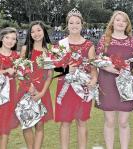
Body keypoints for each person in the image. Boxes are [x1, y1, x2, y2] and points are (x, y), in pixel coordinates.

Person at [95, 11, 133, 149]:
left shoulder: (131, 41)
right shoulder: (105, 39)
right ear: (113, 22)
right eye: (118, 20)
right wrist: (109, 68)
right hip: (107, 82)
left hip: (126, 83)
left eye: (124, 21)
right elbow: (97, 59)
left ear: (127, 24)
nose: (120, 23)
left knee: (124, 121)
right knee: (110, 120)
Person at [54, 8, 98, 149]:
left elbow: (93, 68)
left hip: (83, 88)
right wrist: (68, 69)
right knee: (65, 122)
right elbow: (54, 69)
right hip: (65, 87)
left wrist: (94, 80)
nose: (74, 25)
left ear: (82, 25)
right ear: (67, 25)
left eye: (77, 23)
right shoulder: (60, 45)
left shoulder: (89, 45)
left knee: (82, 121)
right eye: (71, 23)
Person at [18, 21, 53, 149]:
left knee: (39, 125)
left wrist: (42, 92)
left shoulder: (49, 50)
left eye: (38, 30)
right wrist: (29, 87)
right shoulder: (25, 49)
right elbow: (19, 71)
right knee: (27, 124)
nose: (36, 34)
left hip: (42, 91)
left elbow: (50, 75)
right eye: (32, 31)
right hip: (25, 90)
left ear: (44, 31)